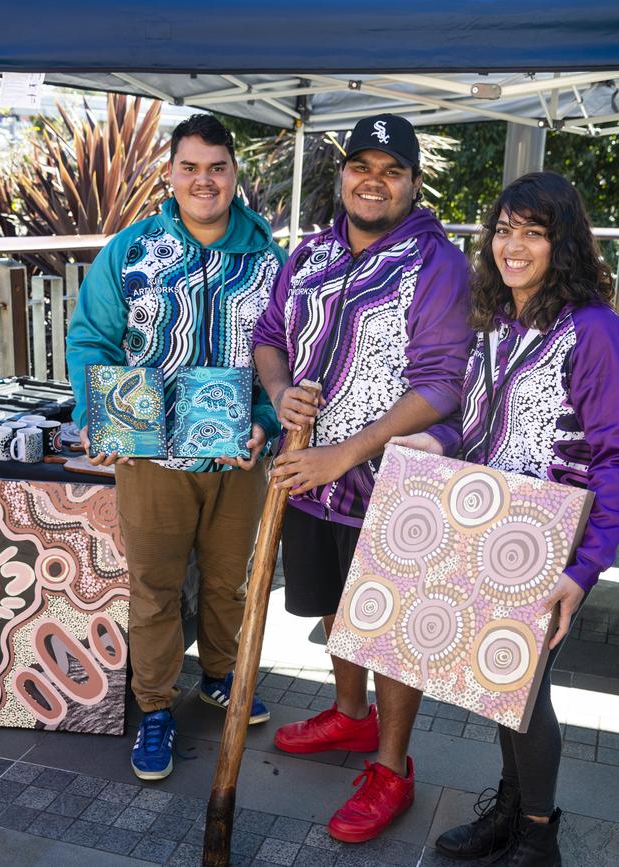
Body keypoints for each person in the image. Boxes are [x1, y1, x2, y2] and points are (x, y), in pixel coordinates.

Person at [253, 113, 473, 842]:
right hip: (310, 473)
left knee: (389, 628)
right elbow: (270, 337)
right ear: (343, 173)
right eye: (361, 166)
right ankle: (349, 715)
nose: (372, 180)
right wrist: (282, 389)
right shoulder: (309, 253)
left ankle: (391, 767)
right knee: (336, 610)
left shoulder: (435, 262)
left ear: (413, 183)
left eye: (391, 169)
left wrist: (346, 451)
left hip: (394, 482)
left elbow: (443, 383)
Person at [392, 171, 619, 866]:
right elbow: (476, 422)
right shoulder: (497, 320)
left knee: (525, 695)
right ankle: (513, 811)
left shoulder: (595, 331)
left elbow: (614, 456)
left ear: (564, 243)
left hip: (550, 538)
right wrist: (433, 440)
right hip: (489, 531)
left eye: (534, 232)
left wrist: (584, 570)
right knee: (501, 683)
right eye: (505, 229)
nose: (513, 246)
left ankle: (539, 834)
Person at [66, 114, 285, 781]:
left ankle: (220, 675)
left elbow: (291, 351)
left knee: (230, 581)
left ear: (233, 174)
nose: (203, 180)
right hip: (150, 455)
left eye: (216, 167)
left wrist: (265, 421)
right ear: (169, 173)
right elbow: (91, 339)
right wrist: (97, 415)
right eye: (189, 167)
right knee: (156, 586)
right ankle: (156, 705)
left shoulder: (268, 259)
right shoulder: (130, 251)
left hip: (235, 456)